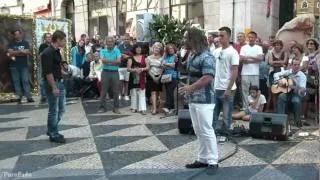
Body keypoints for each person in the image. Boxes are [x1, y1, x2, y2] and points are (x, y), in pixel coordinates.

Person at [178, 27, 218, 172]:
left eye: (186, 38)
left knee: (206, 129)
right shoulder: (192, 54)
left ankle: (213, 160)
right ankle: (203, 159)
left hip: (205, 99)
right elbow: (191, 74)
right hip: (194, 98)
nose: (184, 40)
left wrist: (190, 88)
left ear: (193, 39)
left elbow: (207, 77)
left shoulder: (207, 56)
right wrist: (187, 88)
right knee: (198, 130)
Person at [41, 30, 67, 143]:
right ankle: (53, 133)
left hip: (59, 82)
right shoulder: (47, 53)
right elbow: (48, 72)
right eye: (64, 40)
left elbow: (57, 66)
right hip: (53, 83)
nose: (65, 42)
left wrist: (64, 73)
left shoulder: (57, 51)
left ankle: (51, 128)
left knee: (61, 109)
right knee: (54, 110)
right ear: (58, 40)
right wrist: (54, 87)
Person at [212, 26, 239, 133]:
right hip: (216, 86)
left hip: (228, 88)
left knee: (226, 114)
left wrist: (228, 88)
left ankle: (226, 132)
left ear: (228, 36)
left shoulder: (233, 52)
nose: (219, 38)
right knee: (214, 112)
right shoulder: (216, 51)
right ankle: (211, 132)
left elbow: (235, 71)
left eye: (222, 36)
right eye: (218, 36)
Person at [274, 60, 307, 127]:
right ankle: (280, 121)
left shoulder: (302, 76)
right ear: (291, 65)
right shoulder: (288, 72)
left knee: (296, 101)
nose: (297, 66)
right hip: (287, 93)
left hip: (296, 94)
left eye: (298, 64)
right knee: (281, 96)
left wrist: (301, 89)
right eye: (295, 64)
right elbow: (276, 74)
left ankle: (297, 122)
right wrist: (279, 82)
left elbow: (302, 91)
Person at [7, 29, 34, 104]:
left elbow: (28, 52)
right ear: (14, 36)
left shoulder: (25, 43)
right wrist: (21, 52)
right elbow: (10, 53)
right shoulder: (11, 44)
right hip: (13, 66)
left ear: (21, 34)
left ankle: (28, 96)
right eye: (15, 34)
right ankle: (19, 96)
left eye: (18, 34)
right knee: (16, 81)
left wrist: (15, 53)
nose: (17, 36)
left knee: (25, 81)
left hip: (23, 65)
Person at [240, 31, 263, 109]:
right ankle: (245, 108)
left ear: (255, 38)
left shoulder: (259, 48)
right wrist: (255, 59)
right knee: (245, 91)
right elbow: (242, 59)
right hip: (245, 73)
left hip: (255, 73)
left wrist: (249, 56)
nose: (250, 39)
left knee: (255, 91)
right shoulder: (244, 47)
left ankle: (255, 107)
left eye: (252, 37)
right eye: (249, 37)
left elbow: (260, 58)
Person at [98, 36, 122, 114]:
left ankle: (116, 108)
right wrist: (113, 62)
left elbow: (119, 61)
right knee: (103, 91)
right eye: (108, 42)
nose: (110, 43)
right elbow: (103, 61)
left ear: (113, 42)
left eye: (111, 42)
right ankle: (102, 107)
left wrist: (108, 61)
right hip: (105, 72)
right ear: (106, 43)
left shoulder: (117, 51)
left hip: (115, 73)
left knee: (116, 91)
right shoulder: (102, 51)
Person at [127, 43, 148, 115]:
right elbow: (128, 69)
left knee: (142, 93)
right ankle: (134, 107)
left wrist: (141, 69)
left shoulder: (145, 57)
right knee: (133, 93)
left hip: (142, 77)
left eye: (140, 48)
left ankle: (143, 109)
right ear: (134, 49)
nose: (139, 49)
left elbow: (148, 67)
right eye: (137, 48)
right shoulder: (131, 58)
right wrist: (135, 70)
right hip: (133, 77)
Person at [267, 40, 286, 112]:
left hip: (282, 74)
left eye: (278, 45)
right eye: (275, 45)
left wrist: (275, 63)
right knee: (273, 92)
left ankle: (281, 110)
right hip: (273, 73)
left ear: (281, 46)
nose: (277, 46)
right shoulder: (270, 53)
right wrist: (280, 62)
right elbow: (270, 63)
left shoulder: (285, 53)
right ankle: (275, 109)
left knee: (281, 91)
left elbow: (285, 62)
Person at [162, 43, 179, 115]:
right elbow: (162, 64)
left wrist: (167, 64)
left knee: (170, 91)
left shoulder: (175, 56)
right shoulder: (166, 56)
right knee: (169, 92)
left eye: (171, 48)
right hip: (166, 76)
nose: (170, 50)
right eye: (169, 49)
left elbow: (174, 66)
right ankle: (171, 108)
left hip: (174, 76)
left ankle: (168, 107)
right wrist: (168, 65)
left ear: (174, 49)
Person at [146, 42, 163, 115]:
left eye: (158, 48)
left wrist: (159, 76)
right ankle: (154, 109)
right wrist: (153, 77)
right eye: (155, 48)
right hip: (151, 76)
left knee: (158, 92)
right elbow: (148, 69)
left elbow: (163, 68)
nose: (156, 49)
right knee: (153, 92)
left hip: (160, 76)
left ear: (160, 50)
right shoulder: (148, 58)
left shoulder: (163, 57)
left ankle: (157, 105)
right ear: (153, 49)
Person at [118, 33, 133, 101]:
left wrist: (128, 57)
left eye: (127, 39)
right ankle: (120, 94)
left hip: (128, 66)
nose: (126, 40)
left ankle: (126, 94)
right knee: (120, 81)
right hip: (120, 66)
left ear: (129, 39)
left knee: (126, 82)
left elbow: (133, 56)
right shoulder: (119, 46)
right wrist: (121, 55)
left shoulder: (132, 47)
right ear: (123, 39)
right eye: (125, 39)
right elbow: (117, 54)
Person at [38, 33, 52, 104]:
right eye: (47, 37)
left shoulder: (52, 45)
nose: (49, 38)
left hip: (51, 65)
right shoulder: (42, 46)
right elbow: (40, 56)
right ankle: (43, 96)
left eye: (50, 37)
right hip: (43, 65)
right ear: (45, 38)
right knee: (43, 81)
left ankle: (49, 96)